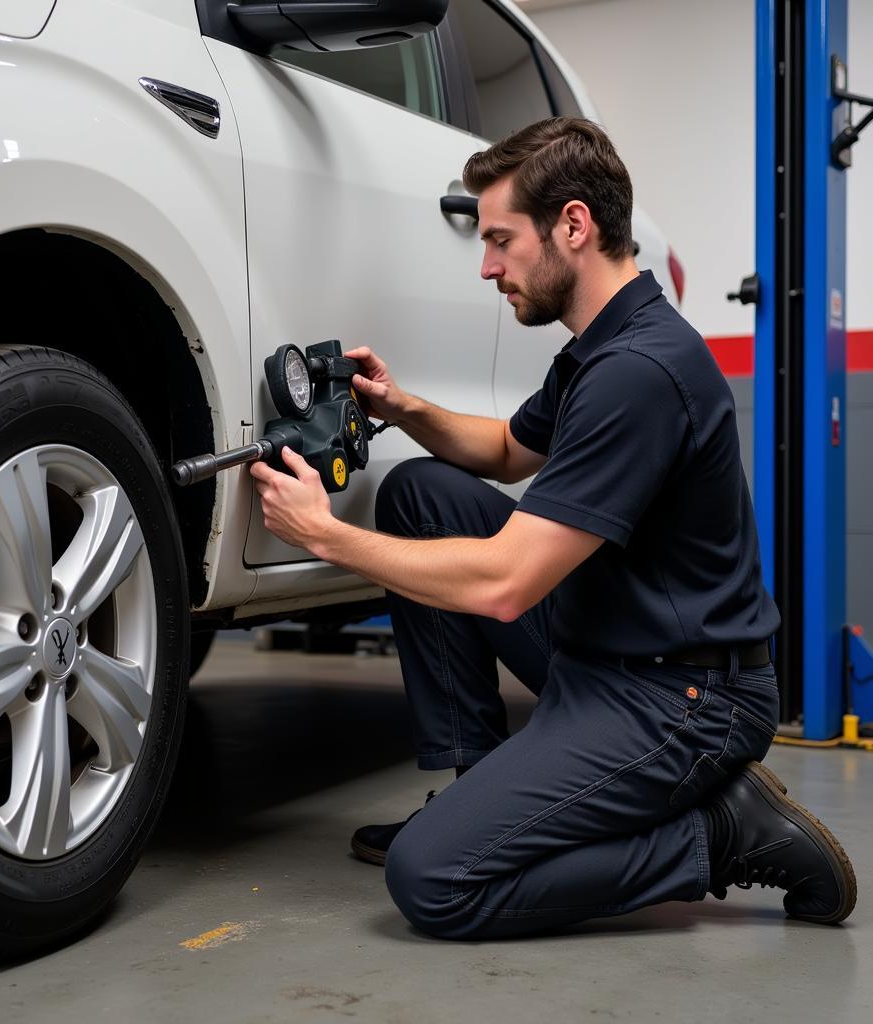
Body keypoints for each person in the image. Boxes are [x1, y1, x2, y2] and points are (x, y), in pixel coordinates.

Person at [249, 117, 856, 939]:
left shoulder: (638, 373)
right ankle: (480, 785)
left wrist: (327, 536)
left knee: (433, 878)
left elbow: (505, 586)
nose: (488, 265)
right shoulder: (594, 350)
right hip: (610, 643)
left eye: (501, 239)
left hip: (685, 697)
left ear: (574, 225)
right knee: (425, 496)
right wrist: (405, 408)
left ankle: (721, 835)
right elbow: (504, 452)